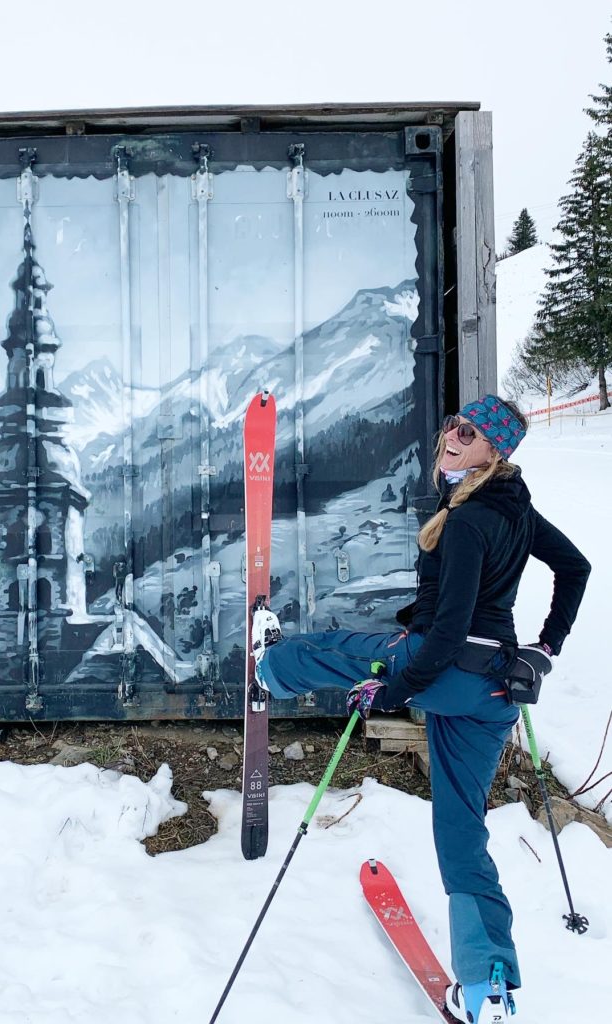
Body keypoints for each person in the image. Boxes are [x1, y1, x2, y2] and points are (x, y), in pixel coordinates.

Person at [251, 395, 591, 1024]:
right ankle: (489, 982)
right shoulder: (513, 505)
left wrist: (396, 690)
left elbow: (448, 630)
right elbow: (578, 568)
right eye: (452, 426)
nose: (452, 437)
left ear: (495, 452)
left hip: (449, 668)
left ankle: (267, 668)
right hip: (497, 692)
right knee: (463, 833)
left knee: (339, 650)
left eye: (469, 433)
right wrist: (543, 651)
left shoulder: (466, 521)